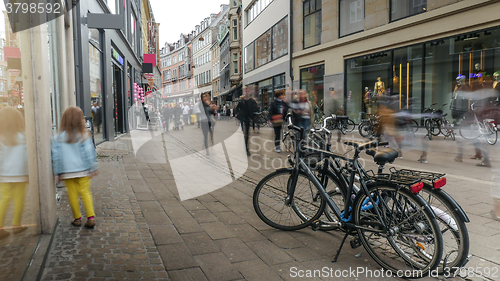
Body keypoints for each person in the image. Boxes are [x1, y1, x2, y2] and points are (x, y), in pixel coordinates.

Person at [51, 106, 99, 228]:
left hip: (67, 172)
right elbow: (89, 152)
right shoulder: (83, 135)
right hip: (83, 170)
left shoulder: (57, 137)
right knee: (85, 193)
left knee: (72, 195)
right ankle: (90, 217)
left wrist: (58, 172)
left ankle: (77, 218)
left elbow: (56, 156)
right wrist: (93, 167)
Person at [0, 107, 29, 239]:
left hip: (4, 174)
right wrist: (28, 173)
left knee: (4, 200)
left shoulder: (0, 137)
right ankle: (16, 225)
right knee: (19, 200)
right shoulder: (23, 136)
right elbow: (26, 157)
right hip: (20, 174)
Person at [236, 87, 258, 155]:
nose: (246, 92)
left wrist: (254, 116)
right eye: (245, 91)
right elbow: (237, 108)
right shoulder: (241, 100)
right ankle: (245, 148)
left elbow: (255, 108)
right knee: (246, 133)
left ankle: (246, 148)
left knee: (247, 134)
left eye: (248, 91)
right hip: (243, 117)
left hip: (248, 118)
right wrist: (237, 114)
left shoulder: (251, 100)